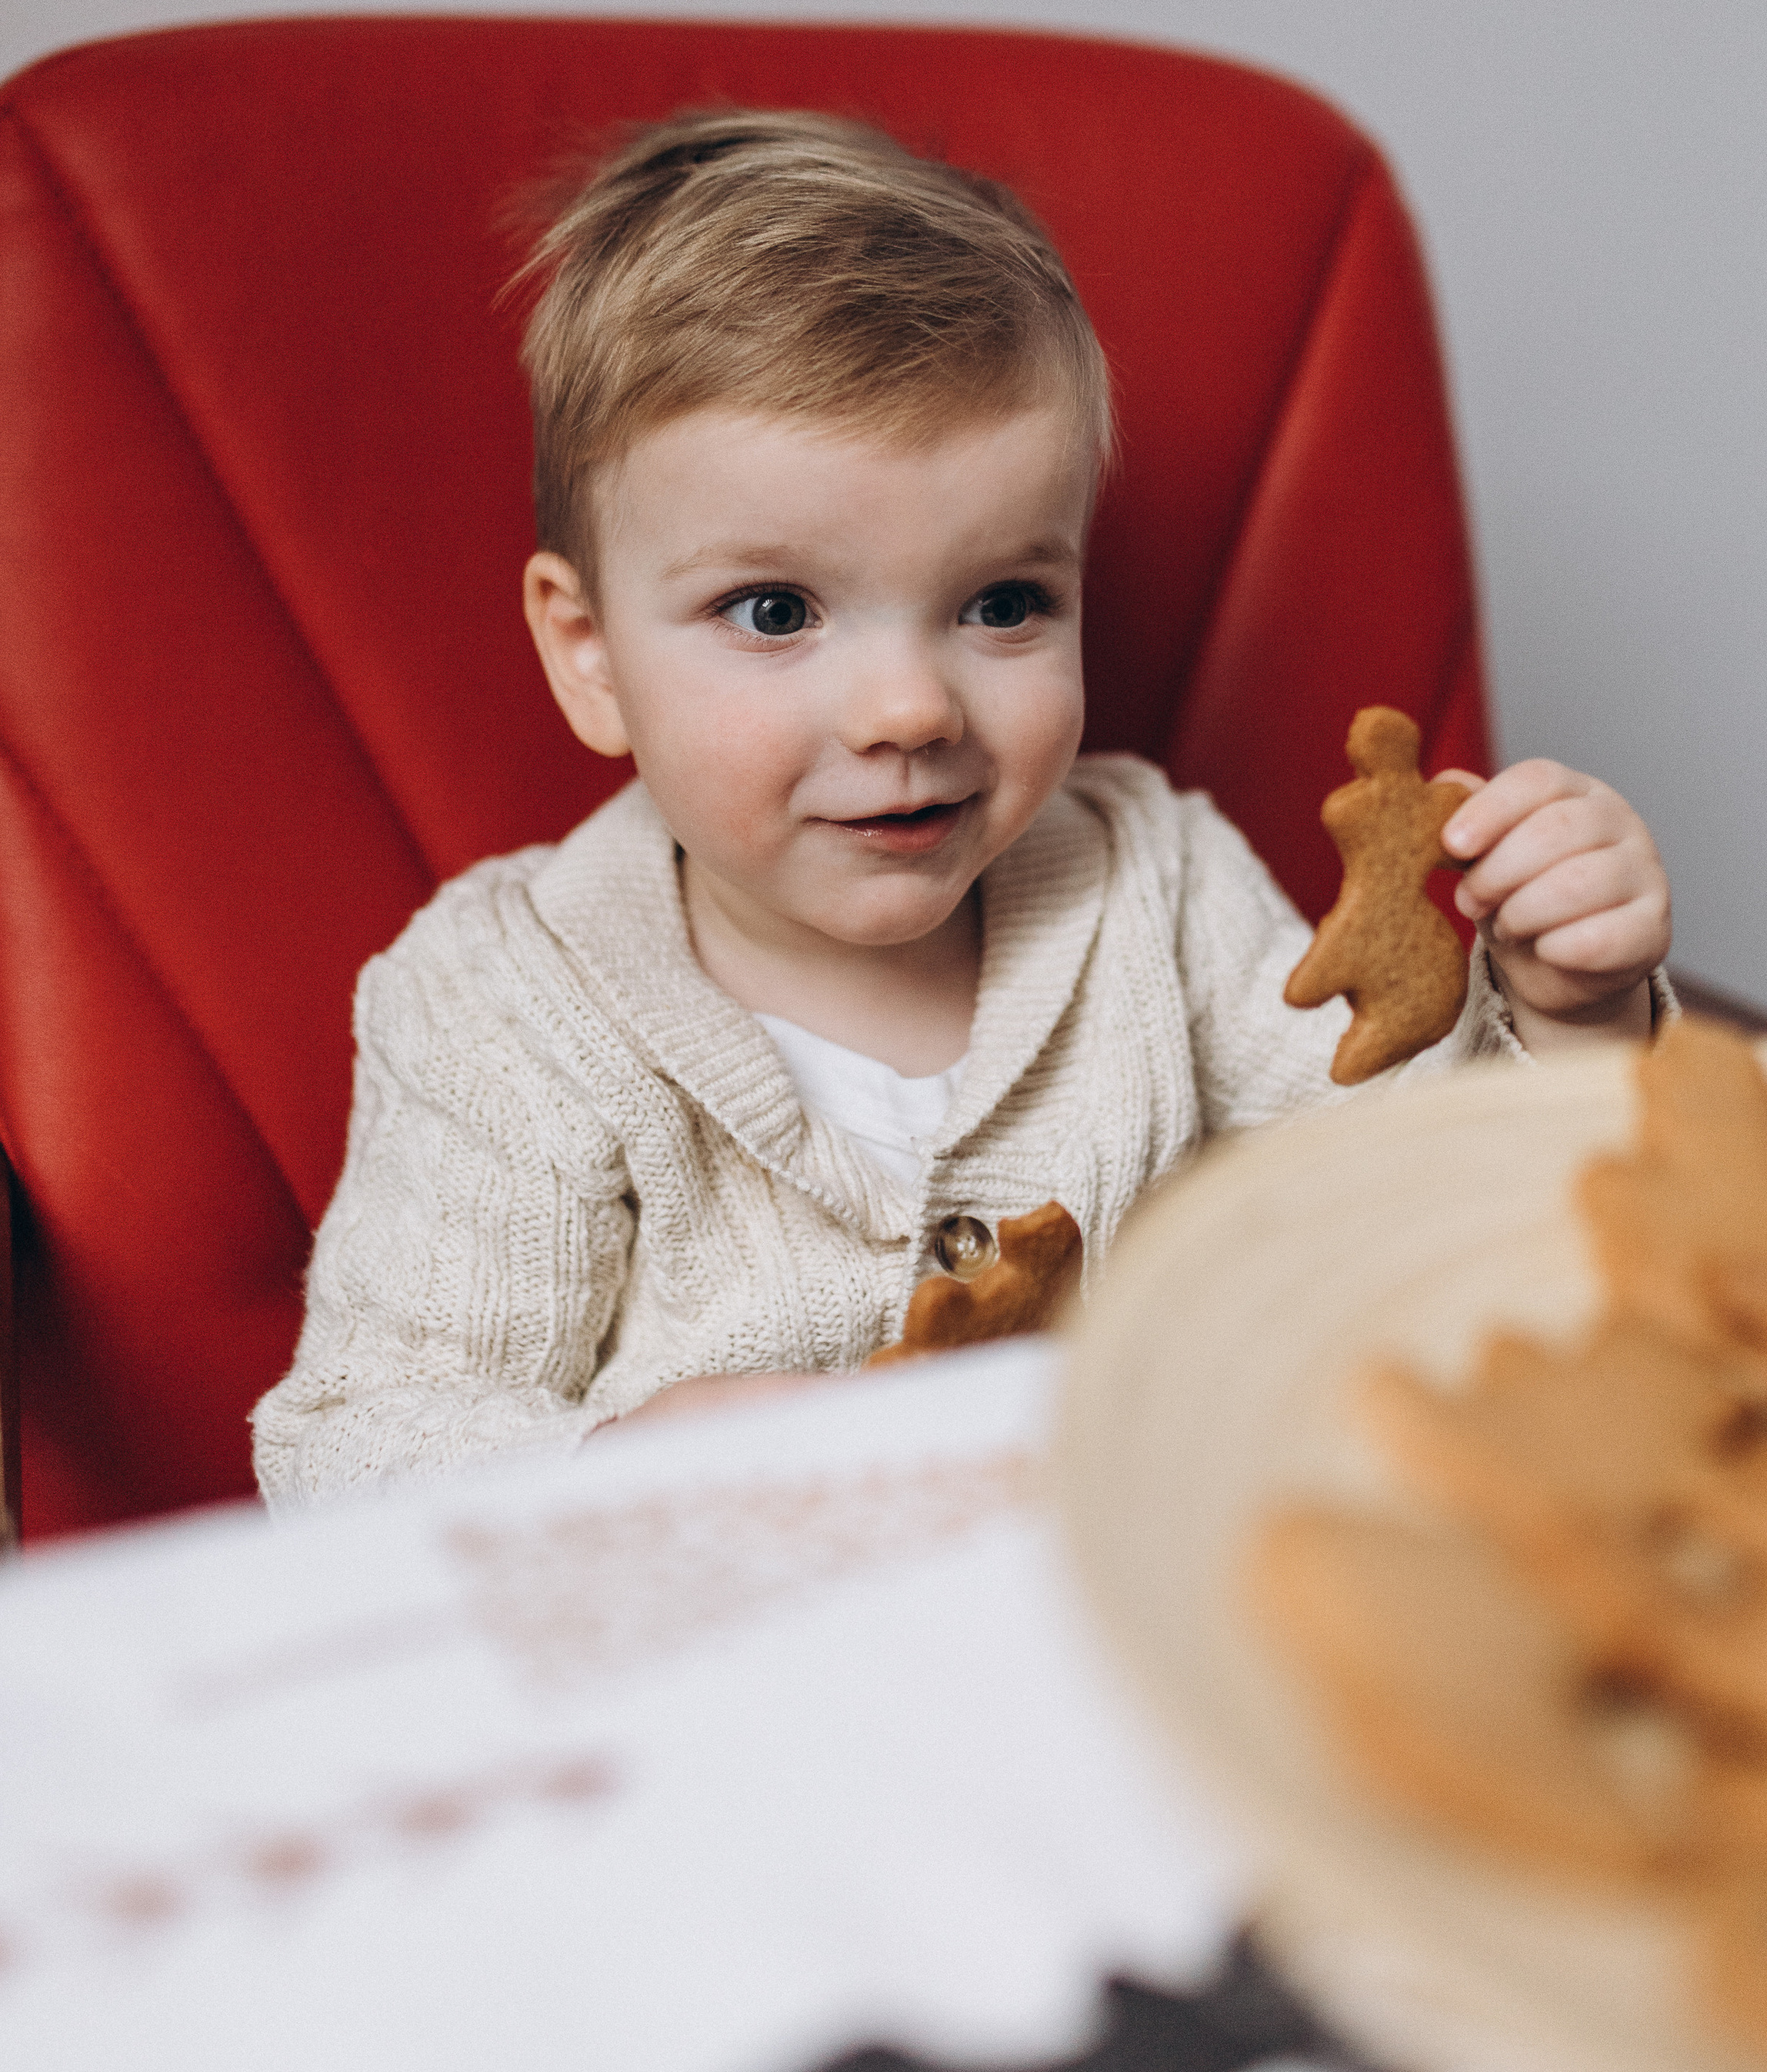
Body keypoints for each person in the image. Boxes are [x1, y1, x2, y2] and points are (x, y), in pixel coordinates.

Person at [251, 110, 1672, 1504]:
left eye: (1002, 604)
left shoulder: (1156, 888)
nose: (910, 711)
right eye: (775, 610)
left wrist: (1568, 1016)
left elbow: (1423, 1224)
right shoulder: (501, 1005)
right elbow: (353, 1440)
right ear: (591, 656)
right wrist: (612, 1472)